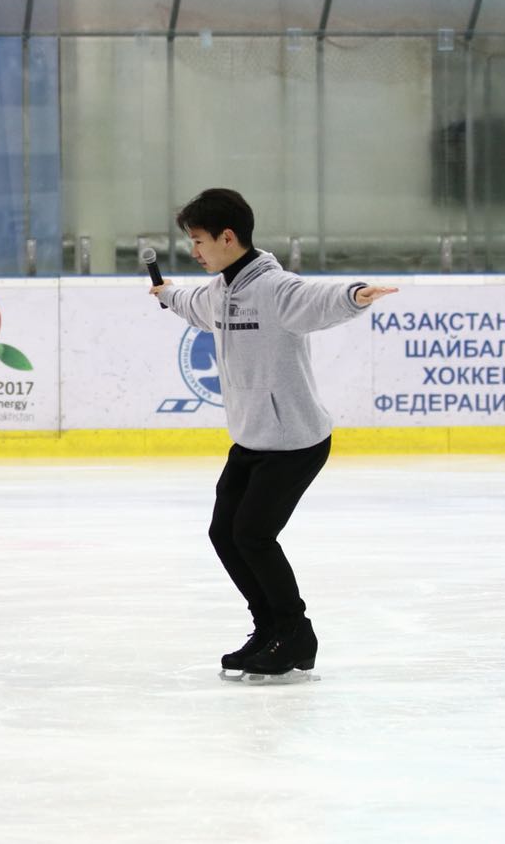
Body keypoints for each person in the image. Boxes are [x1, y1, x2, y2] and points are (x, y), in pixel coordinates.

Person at [148, 188, 398, 681]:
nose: (194, 251)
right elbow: (192, 304)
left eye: (198, 241)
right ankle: (268, 630)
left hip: (294, 441)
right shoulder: (220, 290)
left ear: (228, 237)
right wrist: (166, 293)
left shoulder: (275, 289)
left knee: (253, 535)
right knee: (224, 534)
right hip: (251, 439)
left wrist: (354, 296)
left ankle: (296, 634)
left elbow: (316, 300)